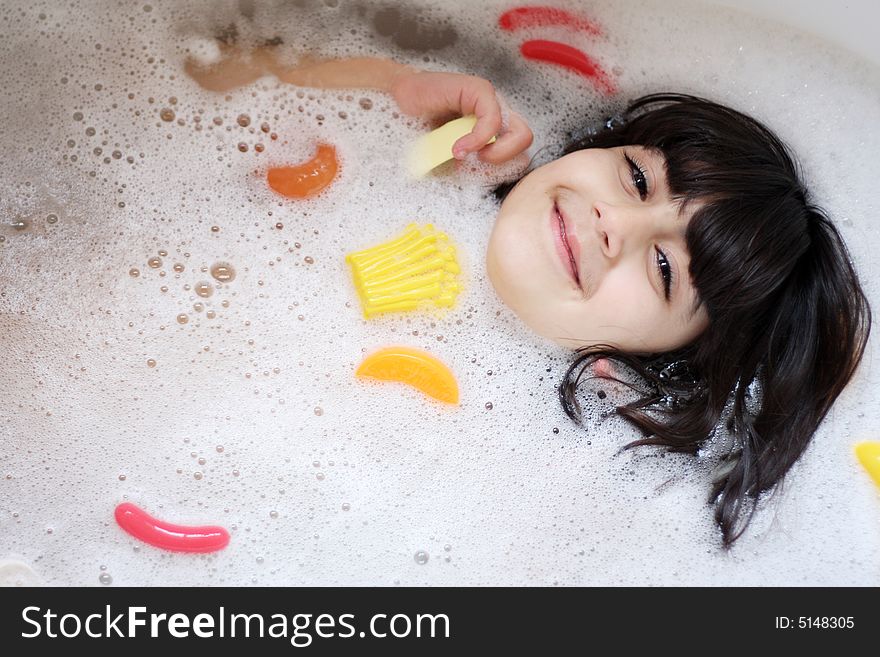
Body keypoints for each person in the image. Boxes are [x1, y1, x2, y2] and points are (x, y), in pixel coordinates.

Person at [187, 47, 872, 546]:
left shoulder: (539, 480)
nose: (615, 225)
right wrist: (392, 82)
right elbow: (214, 72)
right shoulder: (410, 157)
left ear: (668, 360)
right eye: (637, 179)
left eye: (664, 268)